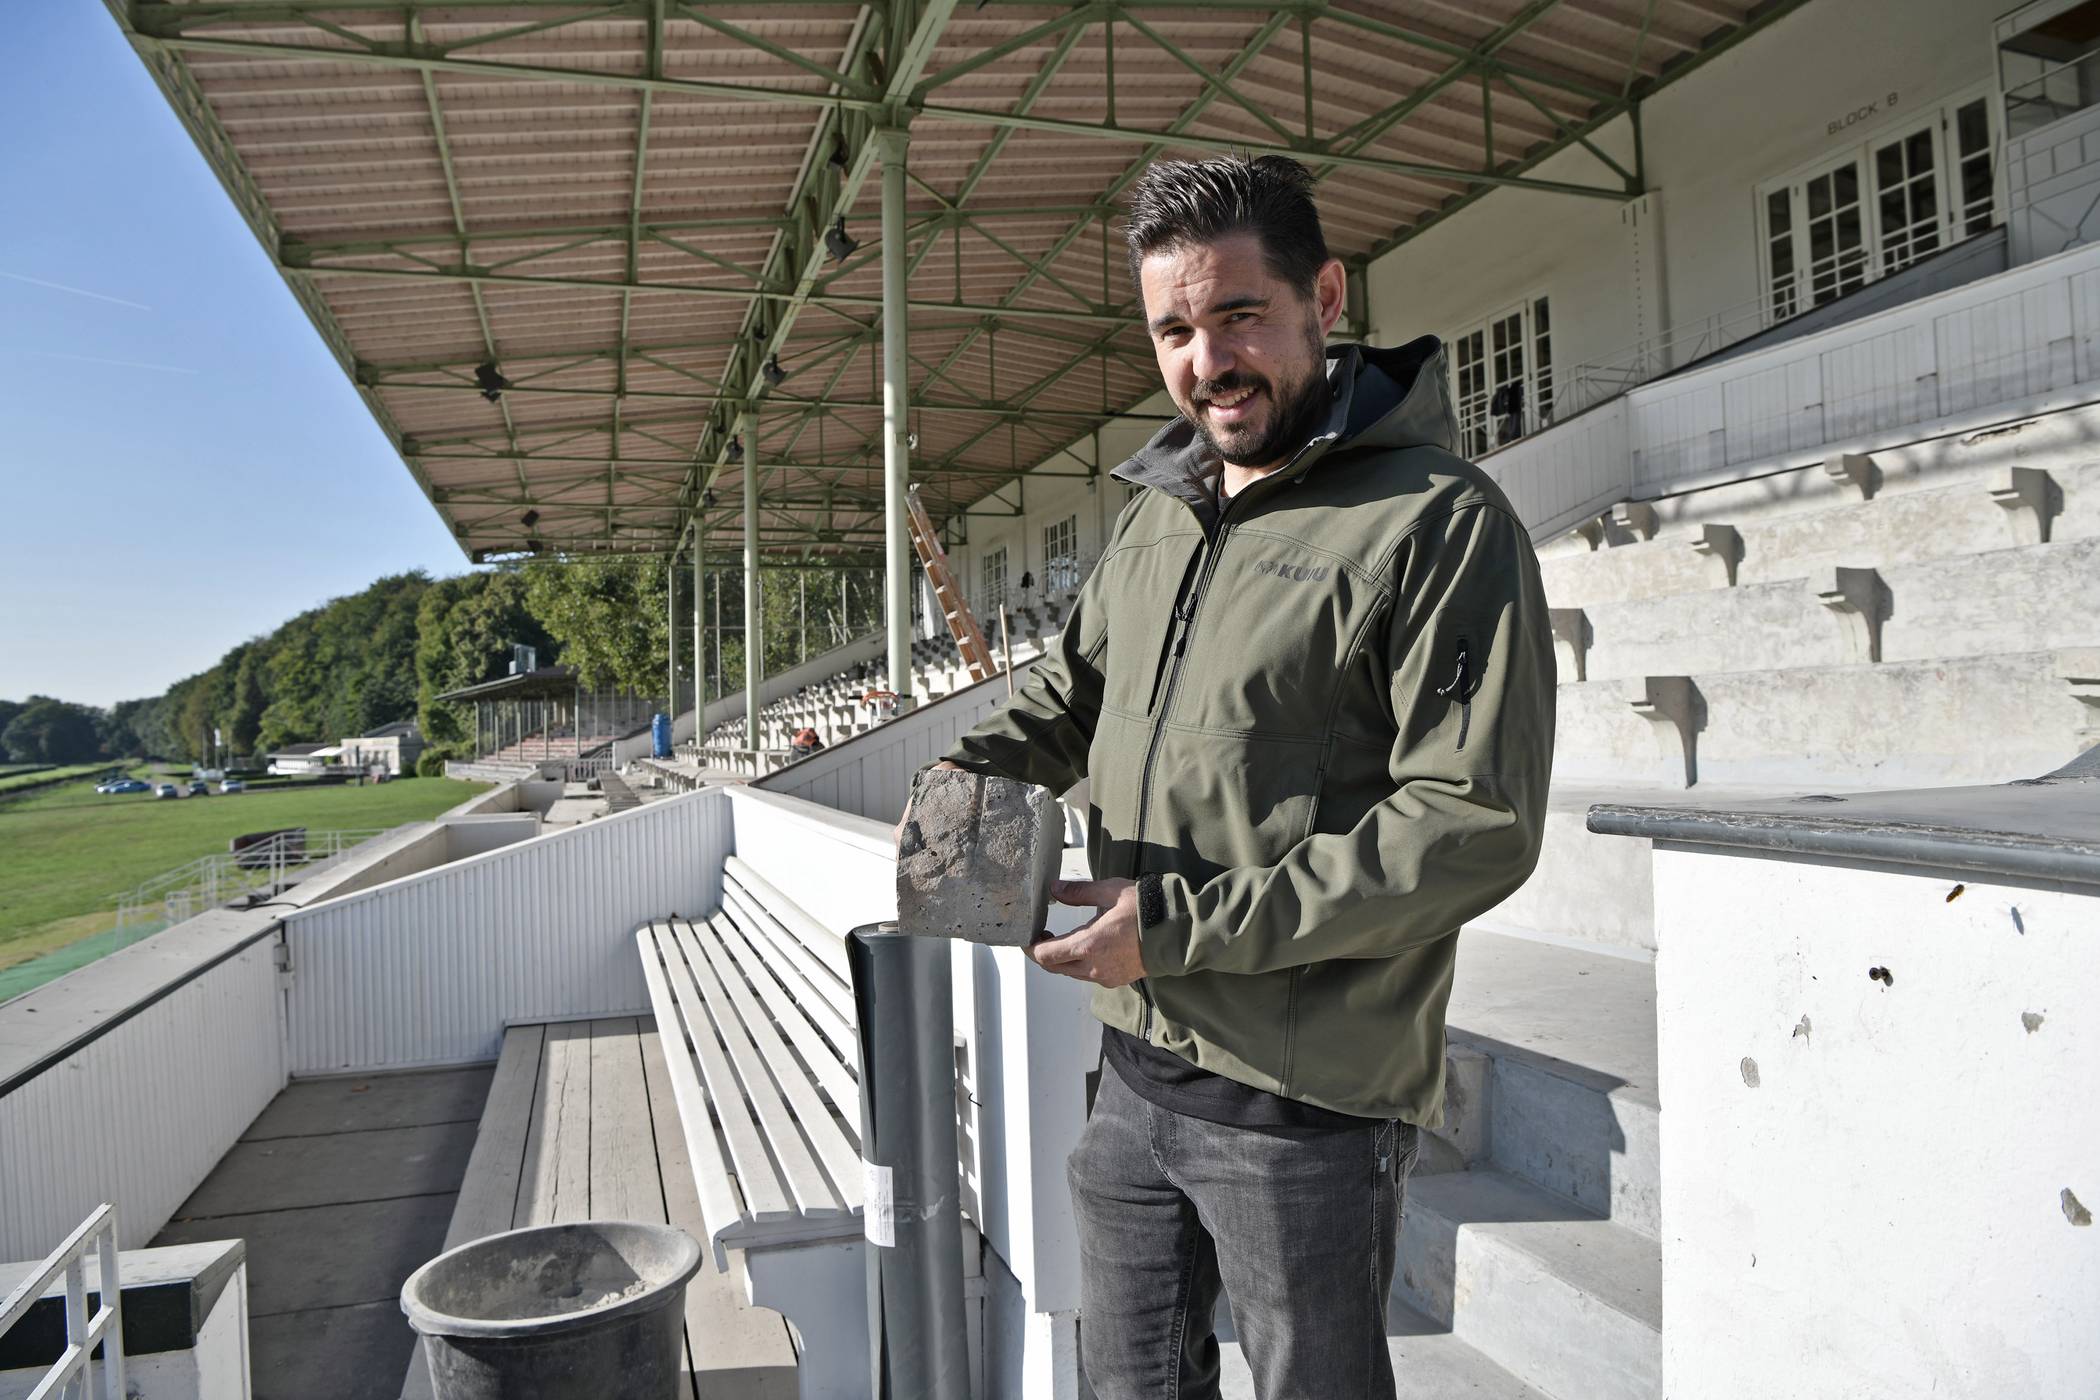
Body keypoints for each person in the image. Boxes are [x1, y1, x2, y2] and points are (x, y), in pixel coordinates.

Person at [908, 155, 1555, 1398]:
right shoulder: (1161, 512)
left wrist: (1176, 927)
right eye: (1174, 331)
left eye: (1240, 315)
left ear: (1326, 296)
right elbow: (1071, 697)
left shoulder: (1439, 521)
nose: (1209, 361)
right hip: (1133, 1072)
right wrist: (964, 775)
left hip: (1304, 1107)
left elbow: (1472, 822)